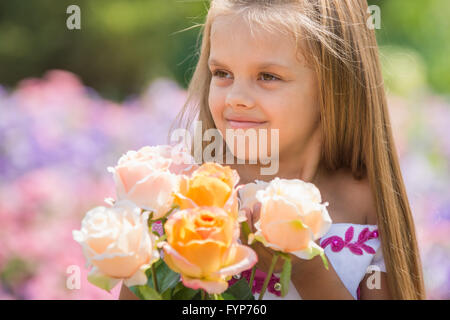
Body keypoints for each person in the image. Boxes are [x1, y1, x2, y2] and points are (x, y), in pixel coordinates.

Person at [121, 0, 425, 300]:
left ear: (333, 87)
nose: (236, 99)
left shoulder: (362, 201)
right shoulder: (187, 198)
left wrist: (305, 271)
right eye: (222, 73)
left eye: (268, 77)